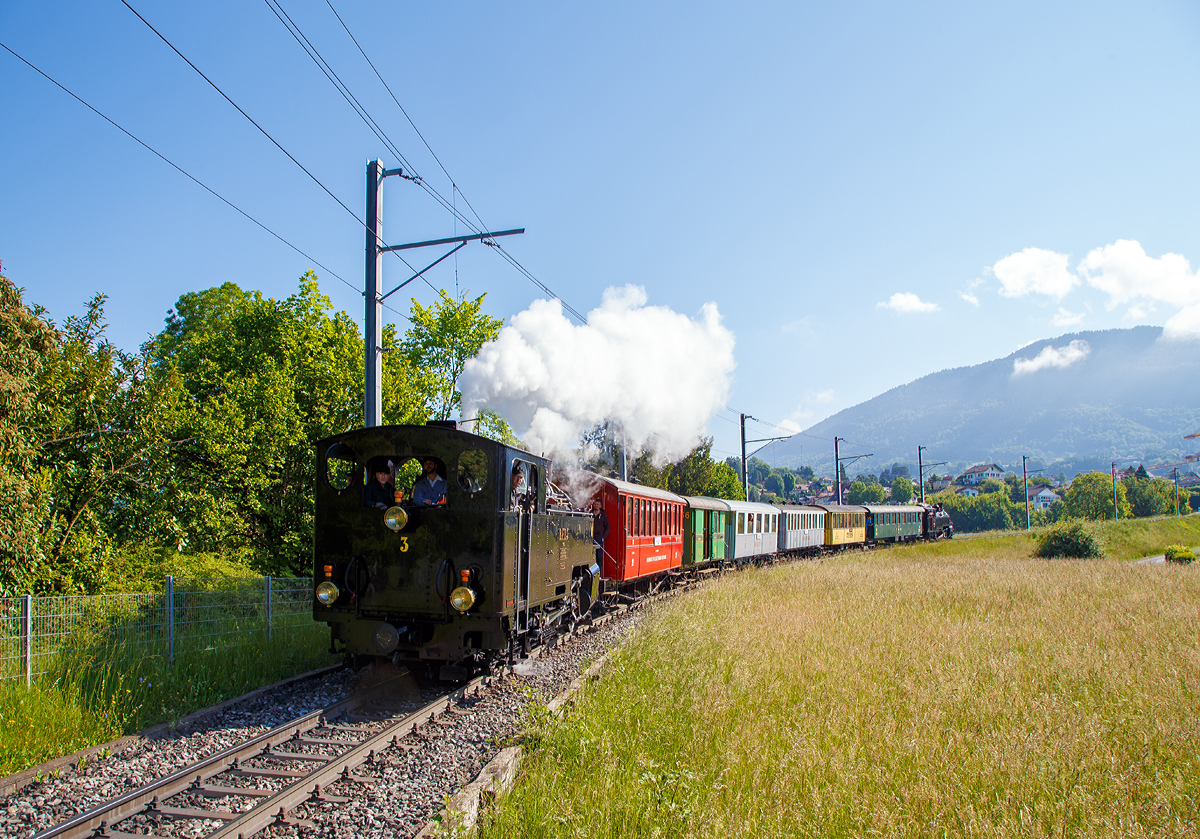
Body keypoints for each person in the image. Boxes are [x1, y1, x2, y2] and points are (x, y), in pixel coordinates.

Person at [591, 497, 609, 566]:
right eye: (595, 504)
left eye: (598, 504)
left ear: (600, 506)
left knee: (599, 556)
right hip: (591, 537)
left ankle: (599, 572)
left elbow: (607, 527)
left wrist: (603, 537)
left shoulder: (603, 516)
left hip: (599, 538)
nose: (596, 506)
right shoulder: (590, 514)